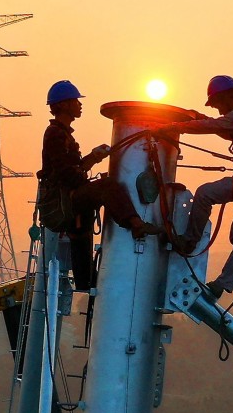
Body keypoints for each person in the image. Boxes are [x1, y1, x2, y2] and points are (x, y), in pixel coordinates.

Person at [156, 75, 233, 299]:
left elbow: (213, 126)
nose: (219, 111)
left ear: (225, 98)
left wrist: (172, 127)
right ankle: (223, 284)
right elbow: (223, 129)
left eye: (218, 105)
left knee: (205, 193)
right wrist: (199, 117)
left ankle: (188, 242)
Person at [38, 80, 161, 290]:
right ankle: (135, 224)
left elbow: (70, 169)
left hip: (68, 197)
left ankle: (86, 281)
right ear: (64, 104)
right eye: (75, 101)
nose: (79, 104)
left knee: (81, 234)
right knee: (108, 186)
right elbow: (64, 173)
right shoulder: (55, 134)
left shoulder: (63, 133)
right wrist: (91, 183)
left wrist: (94, 158)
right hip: (64, 199)